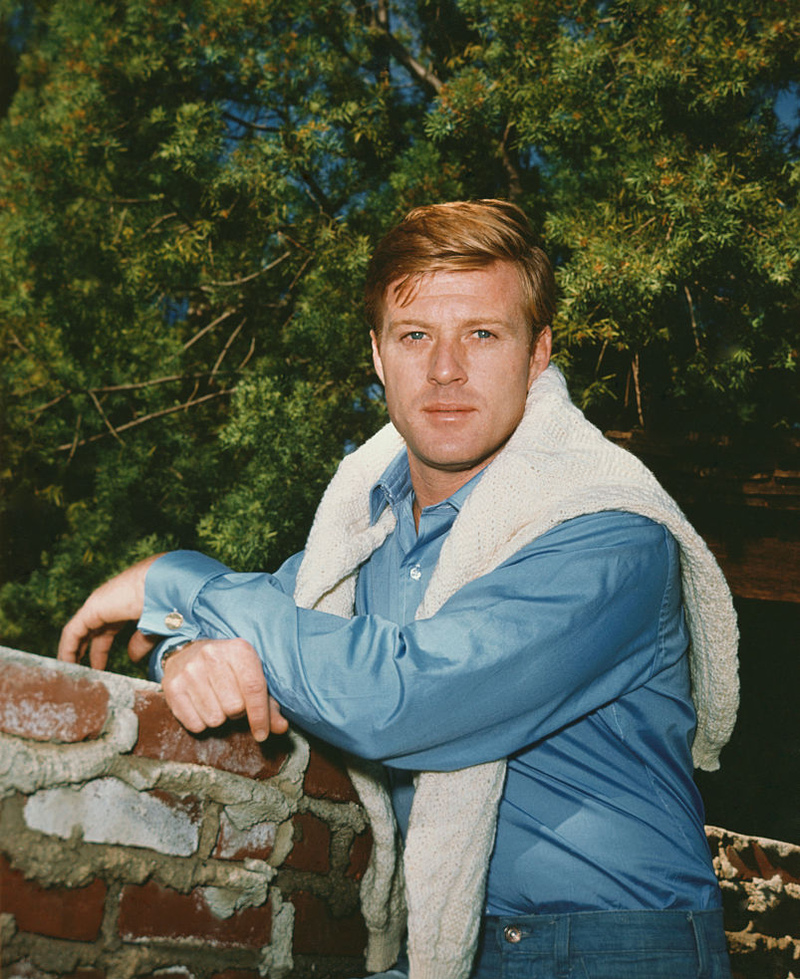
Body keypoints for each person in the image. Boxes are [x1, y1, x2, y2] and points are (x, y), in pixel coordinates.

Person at [59, 199, 739, 979]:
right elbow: (274, 620)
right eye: (417, 336)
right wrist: (187, 655)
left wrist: (174, 575)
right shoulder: (367, 529)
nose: (445, 369)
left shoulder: (607, 532)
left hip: (614, 948)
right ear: (379, 355)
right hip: (443, 951)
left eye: (482, 334)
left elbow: (400, 694)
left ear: (537, 354)